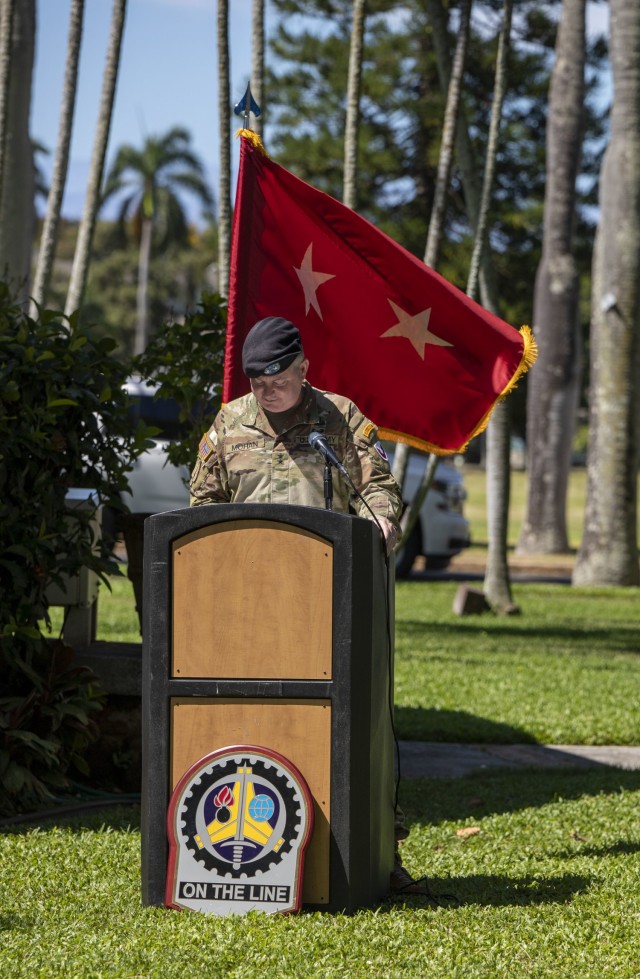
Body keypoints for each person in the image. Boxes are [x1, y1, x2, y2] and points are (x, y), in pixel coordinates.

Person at [189, 315, 427, 896]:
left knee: (350, 724)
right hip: (243, 607)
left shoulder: (339, 419)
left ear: (304, 369)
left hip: (325, 602)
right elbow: (201, 502)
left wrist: (382, 518)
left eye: (279, 378)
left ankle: (373, 851)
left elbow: (376, 485)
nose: (267, 390)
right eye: (258, 380)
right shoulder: (229, 423)